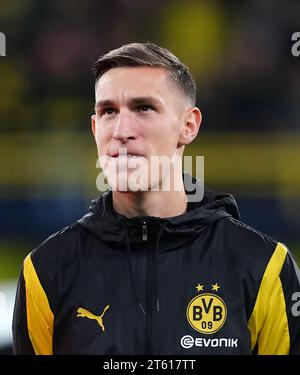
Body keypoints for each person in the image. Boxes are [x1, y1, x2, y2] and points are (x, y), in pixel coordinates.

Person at [13, 42, 300, 355]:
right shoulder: (45, 271)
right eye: (108, 111)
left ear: (188, 126)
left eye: (143, 108)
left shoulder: (263, 266)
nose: (121, 130)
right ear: (95, 128)